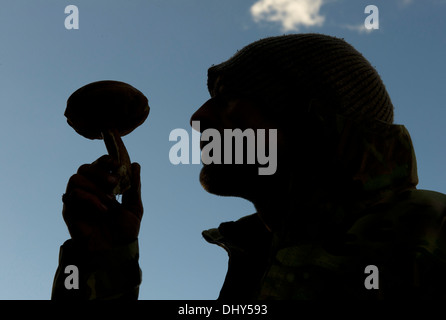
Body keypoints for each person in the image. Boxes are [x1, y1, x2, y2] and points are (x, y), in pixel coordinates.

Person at [52, 33, 446, 300]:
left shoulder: (431, 234)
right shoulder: (253, 264)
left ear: (307, 120)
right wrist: (103, 259)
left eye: (226, 100)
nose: (197, 117)